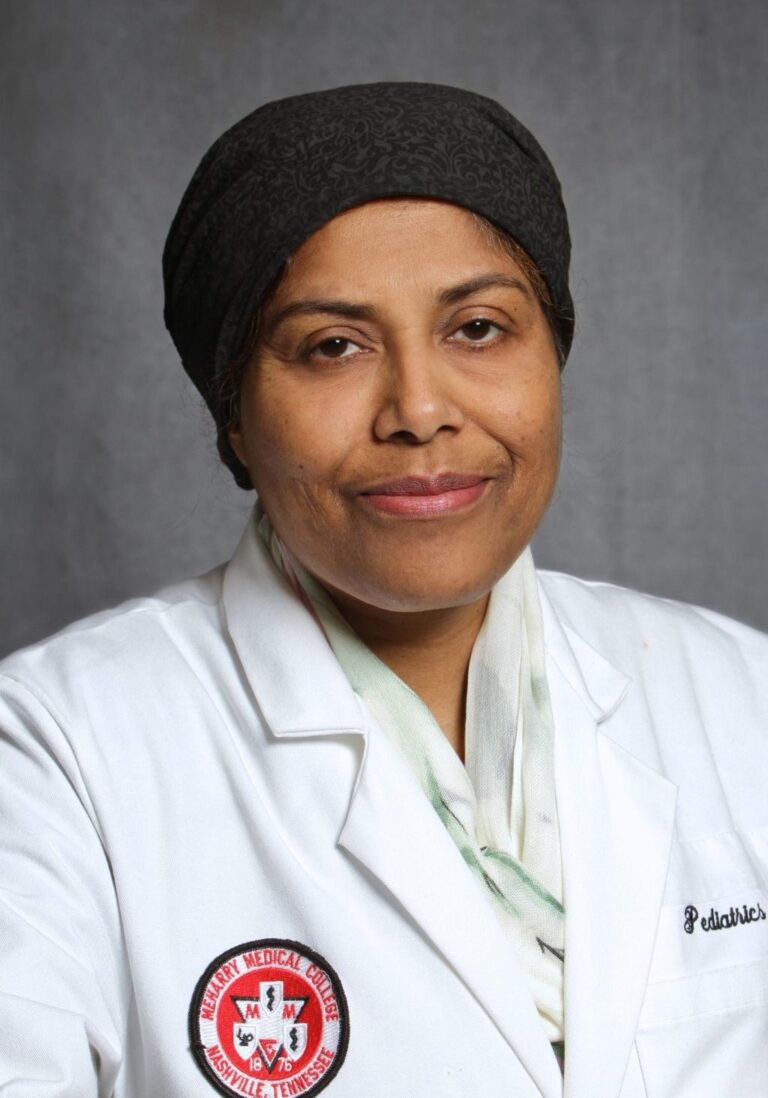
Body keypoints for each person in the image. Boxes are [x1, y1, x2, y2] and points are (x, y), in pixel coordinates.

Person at [1, 82, 766, 1098]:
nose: (418, 409)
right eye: (333, 346)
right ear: (232, 412)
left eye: (480, 328)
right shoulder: (57, 755)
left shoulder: (742, 699)